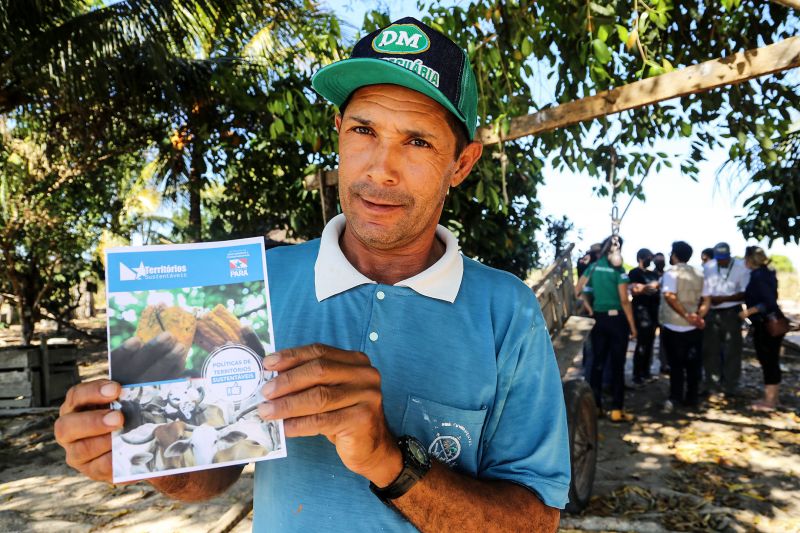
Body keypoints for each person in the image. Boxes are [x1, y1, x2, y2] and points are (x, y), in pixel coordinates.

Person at [54, 17, 569, 532]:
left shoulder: (507, 314)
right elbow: (211, 475)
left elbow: (535, 522)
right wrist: (134, 443)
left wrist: (387, 458)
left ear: (461, 164)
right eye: (363, 130)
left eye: (417, 142)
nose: (379, 169)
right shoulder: (257, 284)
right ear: (338, 134)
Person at [576, 235, 637, 422]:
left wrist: (588, 307)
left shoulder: (593, 267)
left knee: (598, 364)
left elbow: (577, 290)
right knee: (617, 364)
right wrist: (633, 327)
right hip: (617, 320)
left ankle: (597, 407)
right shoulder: (618, 271)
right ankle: (617, 409)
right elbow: (625, 301)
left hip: (599, 320)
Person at [659, 242, 710, 412]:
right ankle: (692, 397)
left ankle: (676, 397)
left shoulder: (671, 273)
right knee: (693, 364)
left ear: (674, 255)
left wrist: (687, 315)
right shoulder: (700, 273)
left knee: (676, 365)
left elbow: (669, 296)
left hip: (674, 325)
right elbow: (706, 299)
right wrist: (698, 316)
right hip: (693, 326)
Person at [740, 246, 786, 411]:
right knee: (771, 361)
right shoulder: (767, 273)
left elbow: (768, 302)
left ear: (750, 259)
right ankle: (771, 398)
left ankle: (770, 401)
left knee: (769, 361)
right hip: (769, 322)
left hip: (767, 323)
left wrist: (748, 312)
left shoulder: (759, 276)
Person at [702, 242, 751, 396]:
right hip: (712, 312)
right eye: (719, 258)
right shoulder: (709, 266)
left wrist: (724, 299)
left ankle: (731, 386)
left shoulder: (741, 266)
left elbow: (745, 292)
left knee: (732, 350)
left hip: (732, 312)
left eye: (724, 258)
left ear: (730, 255)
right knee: (711, 349)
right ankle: (711, 384)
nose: (721, 261)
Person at [628, 248, 660, 385]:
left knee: (650, 343)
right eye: (648, 257)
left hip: (653, 313)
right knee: (641, 343)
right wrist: (646, 288)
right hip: (641, 313)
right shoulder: (634, 272)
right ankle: (637, 374)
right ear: (641, 258)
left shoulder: (654, 274)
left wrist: (644, 288)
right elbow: (634, 290)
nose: (650, 260)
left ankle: (646, 372)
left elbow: (657, 288)